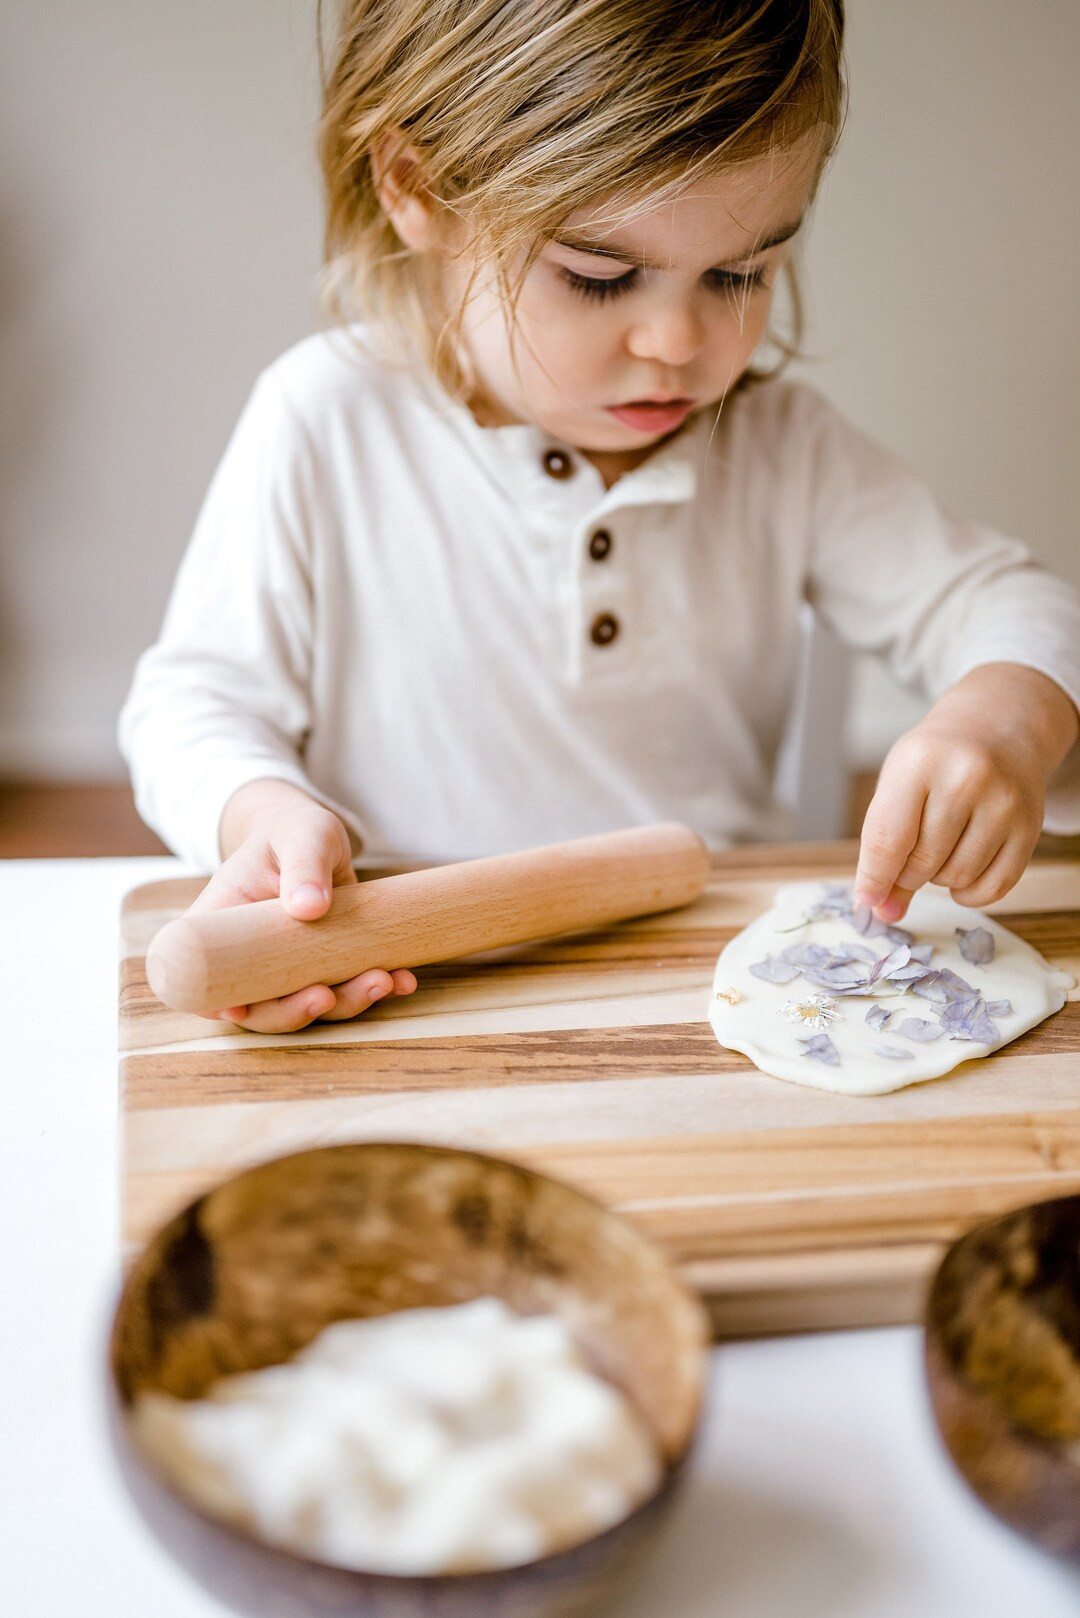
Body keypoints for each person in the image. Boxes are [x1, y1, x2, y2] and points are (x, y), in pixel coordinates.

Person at [120, 0, 1080, 1034]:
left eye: (740, 273)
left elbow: (1010, 604)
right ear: (417, 189)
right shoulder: (325, 420)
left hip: (708, 980)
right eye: (599, 277)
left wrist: (1004, 718)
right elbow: (192, 703)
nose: (677, 341)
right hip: (399, 980)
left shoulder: (783, 449)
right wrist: (258, 811)